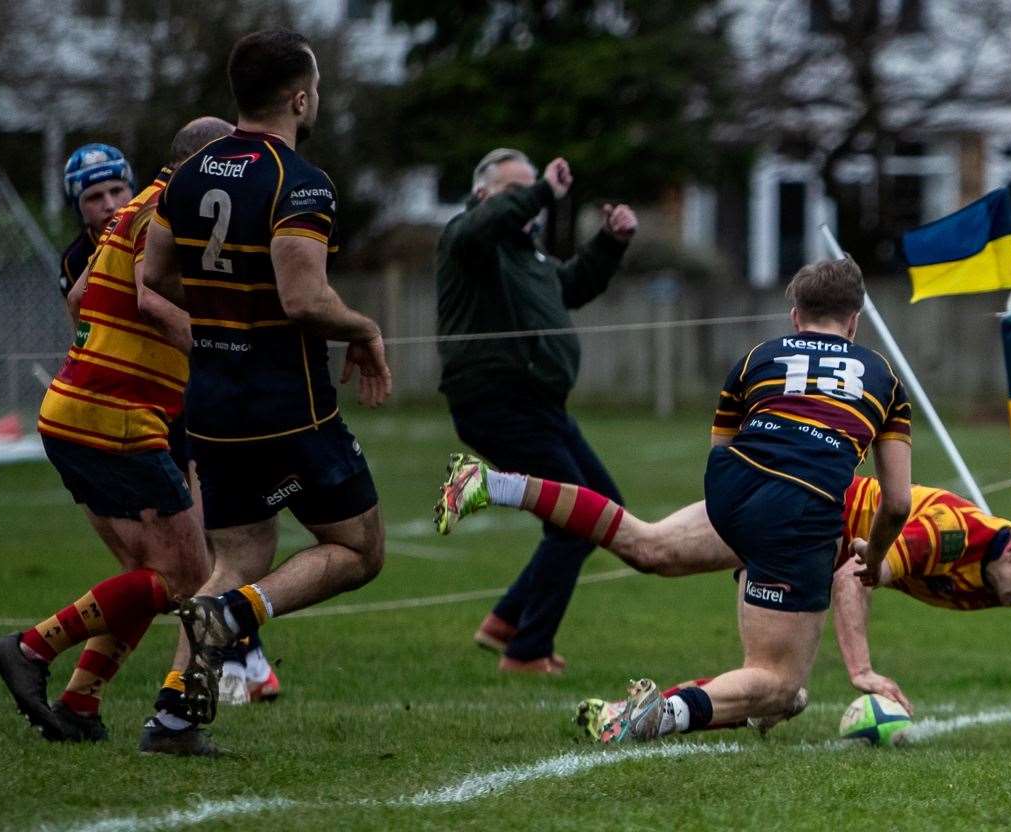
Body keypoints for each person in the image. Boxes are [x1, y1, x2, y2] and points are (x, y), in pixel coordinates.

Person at [440, 465, 1011, 735]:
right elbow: (851, 579)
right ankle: (640, 717)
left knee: (647, 547)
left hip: (780, 510)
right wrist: (864, 673)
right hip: (810, 531)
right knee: (780, 689)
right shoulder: (949, 535)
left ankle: (489, 483)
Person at [138, 29, 392, 756]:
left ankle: (174, 716)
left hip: (213, 405)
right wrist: (366, 327)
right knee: (359, 548)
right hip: (288, 407)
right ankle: (236, 614)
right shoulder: (300, 181)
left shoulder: (186, 176)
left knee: (240, 552)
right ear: (300, 97)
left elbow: (153, 277)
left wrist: (222, 307)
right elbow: (304, 298)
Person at [546, 258, 912, 740]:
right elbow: (898, 503)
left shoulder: (757, 357)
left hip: (731, 487)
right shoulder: (884, 378)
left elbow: (719, 453)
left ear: (796, 316)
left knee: (651, 548)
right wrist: (876, 554)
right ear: (855, 320)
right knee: (780, 685)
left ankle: (503, 485)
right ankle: (658, 714)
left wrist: (748, 524)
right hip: (800, 507)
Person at [0, 117, 233, 744]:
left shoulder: (141, 209)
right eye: (234, 158)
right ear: (207, 162)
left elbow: (84, 299)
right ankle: (32, 647)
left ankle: (80, 705)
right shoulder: (168, 210)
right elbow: (148, 300)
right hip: (115, 420)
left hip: (81, 411)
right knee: (184, 576)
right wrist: (220, 347)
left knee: (142, 577)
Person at [434, 147, 637, 674]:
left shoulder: (529, 256)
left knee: (604, 508)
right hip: (498, 402)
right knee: (575, 524)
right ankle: (525, 651)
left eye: (534, 191)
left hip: (541, 406)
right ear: (482, 197)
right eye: (515, 190)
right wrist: (543, 189)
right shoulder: (469, 240)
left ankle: (505, 621)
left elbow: (571, 287)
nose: (532, 203)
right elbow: (485, 228)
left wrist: (610, 242)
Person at [59, 143, 134, 305]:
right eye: (95, 197)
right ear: (78, 208)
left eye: (116, 191)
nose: (110, 205)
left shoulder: (162, 233)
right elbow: (81, 327)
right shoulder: (75, 260)